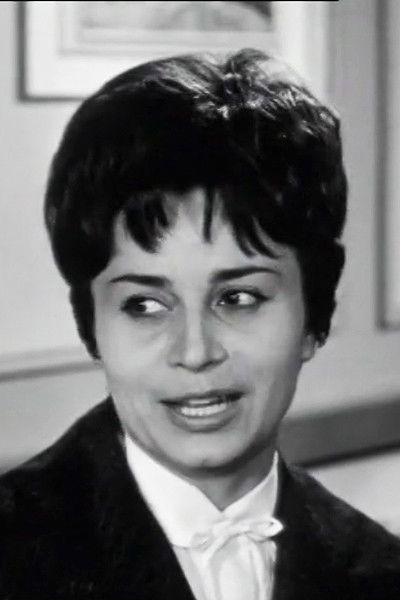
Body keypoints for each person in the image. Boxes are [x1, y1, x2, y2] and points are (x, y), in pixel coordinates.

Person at [1, 48, 399, 600]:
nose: (194, 351)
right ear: (91, 325)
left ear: (314, 315)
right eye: (144, 305)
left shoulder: (383, 571)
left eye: (238, 298)